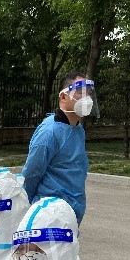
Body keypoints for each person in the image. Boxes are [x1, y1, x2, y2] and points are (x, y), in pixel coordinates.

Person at [21, 71, 97, 224]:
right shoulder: (49, 132)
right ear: (63, 97)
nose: (86, 99)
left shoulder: (77, 129)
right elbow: (31, 174)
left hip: (72, 212)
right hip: (49, 214)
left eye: (88, 93)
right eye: (80, 93)